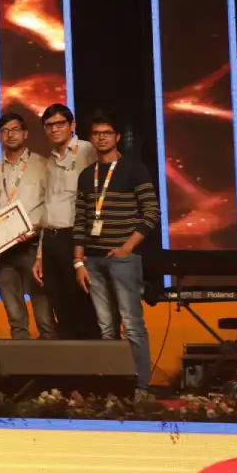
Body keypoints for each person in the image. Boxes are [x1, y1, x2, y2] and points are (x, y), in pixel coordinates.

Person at [73, 112, 159, 393]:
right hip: (93, 261)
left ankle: (141, 387)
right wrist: (78, 261)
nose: (100, 138)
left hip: (122, 259)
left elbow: (151, 213)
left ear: (117, 137)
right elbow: (81, 221)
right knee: (105, 328)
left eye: (106, 133)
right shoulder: (87, 175)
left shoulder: (134, 169)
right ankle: (113, 387)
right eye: (96, 133)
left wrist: (127, 247)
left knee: (132, 325)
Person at [0, 113, 54, 339]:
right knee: (15, 318)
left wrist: (35, 228)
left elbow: (51, 205)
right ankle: (24, 372)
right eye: (4, 130)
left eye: (15, 129)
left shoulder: (44, 165)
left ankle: (51, 371)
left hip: (34, 247)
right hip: (3, 251)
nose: (10, 134)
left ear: (25, 134)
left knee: (44, 315)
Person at [34, 103, 98, 339]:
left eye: (60, 123)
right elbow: (48, 206)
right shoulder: (49, 160)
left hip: (76, 238)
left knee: (83, 304)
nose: (54, 129)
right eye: (49, 125)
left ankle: (94, 369)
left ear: (72, 125)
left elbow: (96, 196)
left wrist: (89, 244)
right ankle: (71, 370)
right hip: (51, 239)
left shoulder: (87, 150)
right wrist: (40, 254)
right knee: (60, 305)